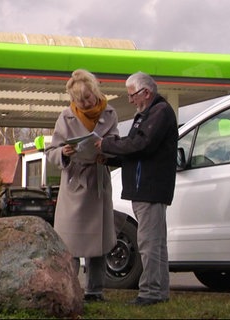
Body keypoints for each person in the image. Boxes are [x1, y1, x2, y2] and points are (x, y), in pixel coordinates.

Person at [95, 71, 178, 306]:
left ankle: (151, 292)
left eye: (132, 95)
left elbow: (141, 144)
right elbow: (136, 152)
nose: (130, 100)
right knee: (156, 242)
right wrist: (110, 158)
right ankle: (159, 291)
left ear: (146, 92)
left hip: (149, 188)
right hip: (146, 187)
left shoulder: (159, 112)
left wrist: (106, 144)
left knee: (149, 242)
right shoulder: (148, 114)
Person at [45, 69, 119, 302]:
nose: (84, 104)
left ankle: (95, 291)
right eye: (79, 100)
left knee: (99, 241)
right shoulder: (65, 116)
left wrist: (105, 152)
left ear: (95, 92)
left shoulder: (110, 113)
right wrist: (64, 153)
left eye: (87, 98)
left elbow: (115, 143)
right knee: (71, 243)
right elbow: (51, 151)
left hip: (98, 180)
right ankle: (69, 290)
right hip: (75, 182)